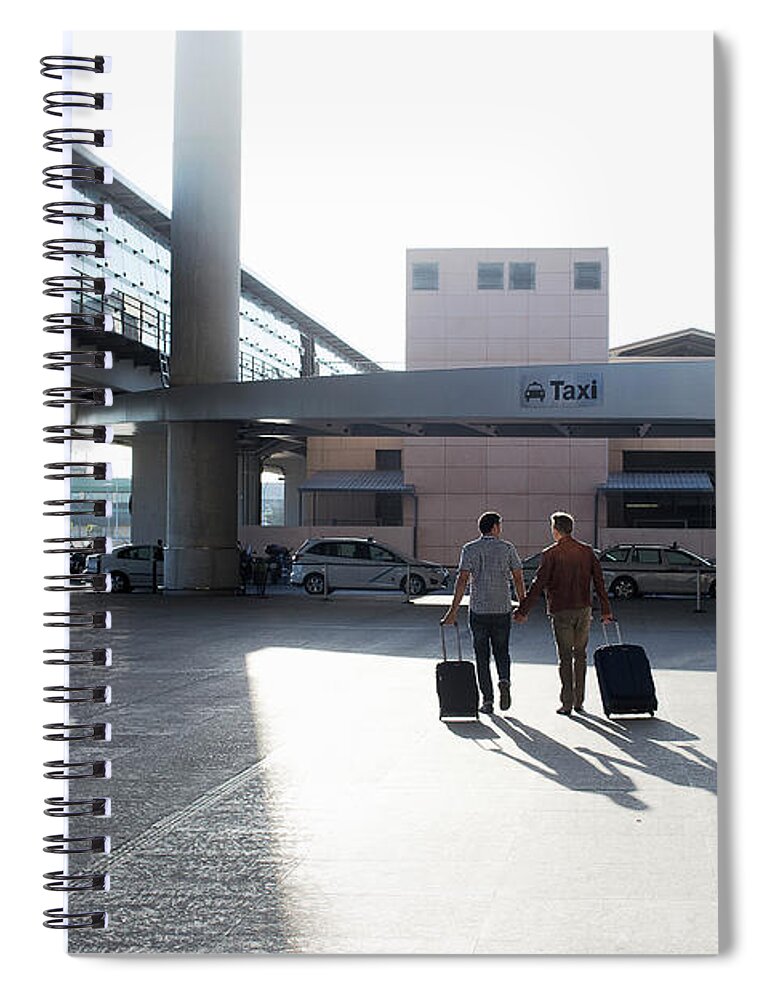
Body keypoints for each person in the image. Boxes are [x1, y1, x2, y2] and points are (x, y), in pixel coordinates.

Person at [514, 511, 613, 716]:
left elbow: (538, 584)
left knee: (565, 657)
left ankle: (567, 703)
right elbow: (600, 582)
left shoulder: (550, 553)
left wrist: (523, 610)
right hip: (584, 609)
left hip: (561, 610)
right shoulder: (586, 551)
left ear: (556, 530)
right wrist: (605, 610)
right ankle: (579, 701)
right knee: (581, 655)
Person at [441, 511, 526, 714]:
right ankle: (504, 680)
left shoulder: (469, 549)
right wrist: (523, 605)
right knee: (502, 651)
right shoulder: (507, 548)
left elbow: (462, 580)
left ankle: (487, 701)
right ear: (495, 527)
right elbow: (518, 577)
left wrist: (453, 611)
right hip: (502, 609)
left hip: (478, 610)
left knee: (481, 656)